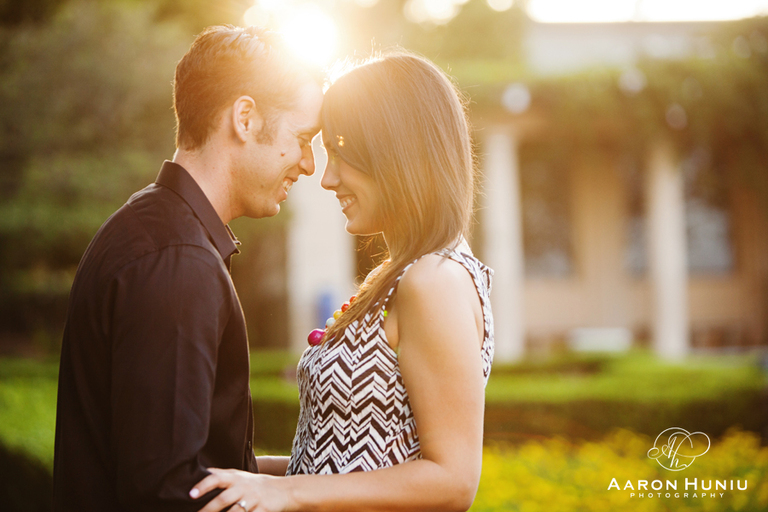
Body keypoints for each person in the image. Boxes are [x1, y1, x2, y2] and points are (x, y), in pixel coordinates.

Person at [190, 52, 495, 512]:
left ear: (396, 152)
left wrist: (287, 492)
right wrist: (241, 475)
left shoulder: (435, 281)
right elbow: (343, 462)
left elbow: (452, 481)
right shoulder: (401, 275)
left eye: (340, 154)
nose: (327, 178)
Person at [52, 25, 322, 510]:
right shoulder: (179, 263)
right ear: (244, 117)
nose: (308, 164)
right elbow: (170, 493)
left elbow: (197, 468)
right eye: (302, 139)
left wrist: (327, 481)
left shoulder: (155, 230)